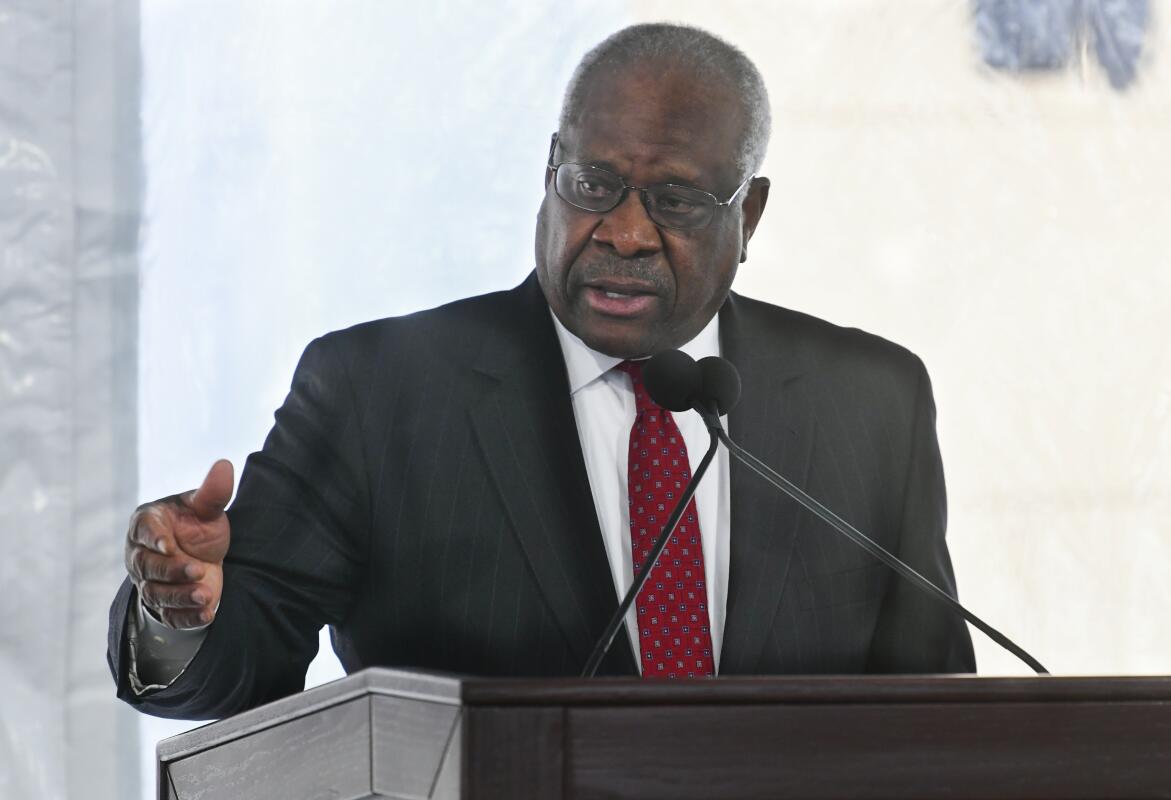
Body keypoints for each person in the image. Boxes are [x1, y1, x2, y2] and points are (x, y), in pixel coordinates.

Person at [109, 23, 975, 720]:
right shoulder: (377, 393)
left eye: (673, 201)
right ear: (548, 171)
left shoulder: (871, 401)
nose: (625, 232)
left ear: (748, 213)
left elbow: (941, 722)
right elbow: (248, 660)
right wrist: (183, 612)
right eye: (592, 184)